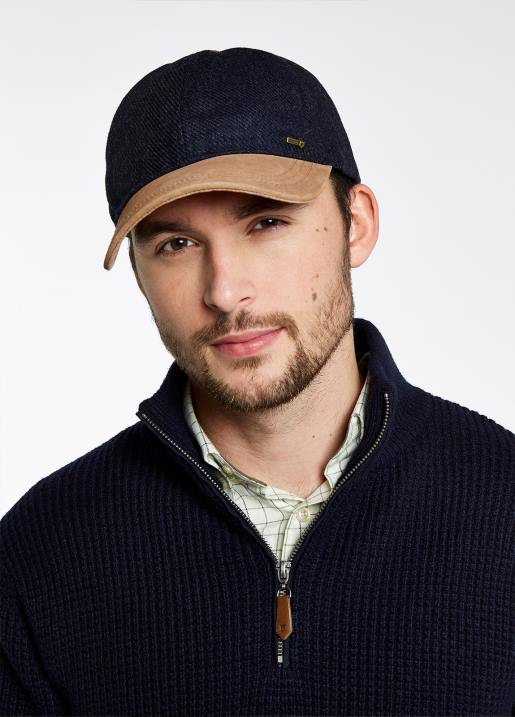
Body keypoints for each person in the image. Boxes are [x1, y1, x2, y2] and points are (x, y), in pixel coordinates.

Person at [0, 47, 513, 717]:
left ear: (356, 225)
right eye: (176, 244)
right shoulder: (41, 552)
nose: (224, 291)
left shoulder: (501, 500)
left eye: (266, 223)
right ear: (138, 272)